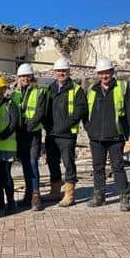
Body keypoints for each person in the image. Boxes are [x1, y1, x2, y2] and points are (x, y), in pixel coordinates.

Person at [85, 58, 130, 212]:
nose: (104, 76)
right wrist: (89, 129)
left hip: (116, 136)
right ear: (98, 74)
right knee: (98, 167)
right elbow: (85, 112)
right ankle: (99, 196)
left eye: (106, 72)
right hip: (96, 137)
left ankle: (124, 197)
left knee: (118, 167)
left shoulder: (121, 87)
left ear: (112, 72)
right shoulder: (92, 89)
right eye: (101, 73)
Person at [43, 58, 87, 207]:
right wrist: (47, 126)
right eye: (58, 71)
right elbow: (44, 110)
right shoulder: (50, 89)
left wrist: (66, 126)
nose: (61, 73)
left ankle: (70, 194)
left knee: (68, 163)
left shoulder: (76, 89)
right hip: (52, 134)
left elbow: (80, 110)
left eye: (64, 71)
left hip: (67, 134)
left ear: (69, 72)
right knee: (52, 162)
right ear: (54, 72)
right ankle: (55, 191)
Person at [13, 63, 46, 211]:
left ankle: (36, 196)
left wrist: (27, 127)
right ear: (18, 78)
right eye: (22, 76)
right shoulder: (15, 94)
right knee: (25, 164)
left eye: (27, 75)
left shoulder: (39, 92)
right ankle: (28, 194)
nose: (25, 78)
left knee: (32, 163)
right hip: (20, 134)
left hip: (33, 134)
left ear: (31, 76)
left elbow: (40, 113)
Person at [0, 76, 19, 215]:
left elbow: (13, 125)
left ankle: (11, 202)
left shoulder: (10, 104)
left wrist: (0, 136)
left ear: (5, 89)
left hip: (7, 145)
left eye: (1, 88)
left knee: (6, 175)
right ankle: (0, 201)